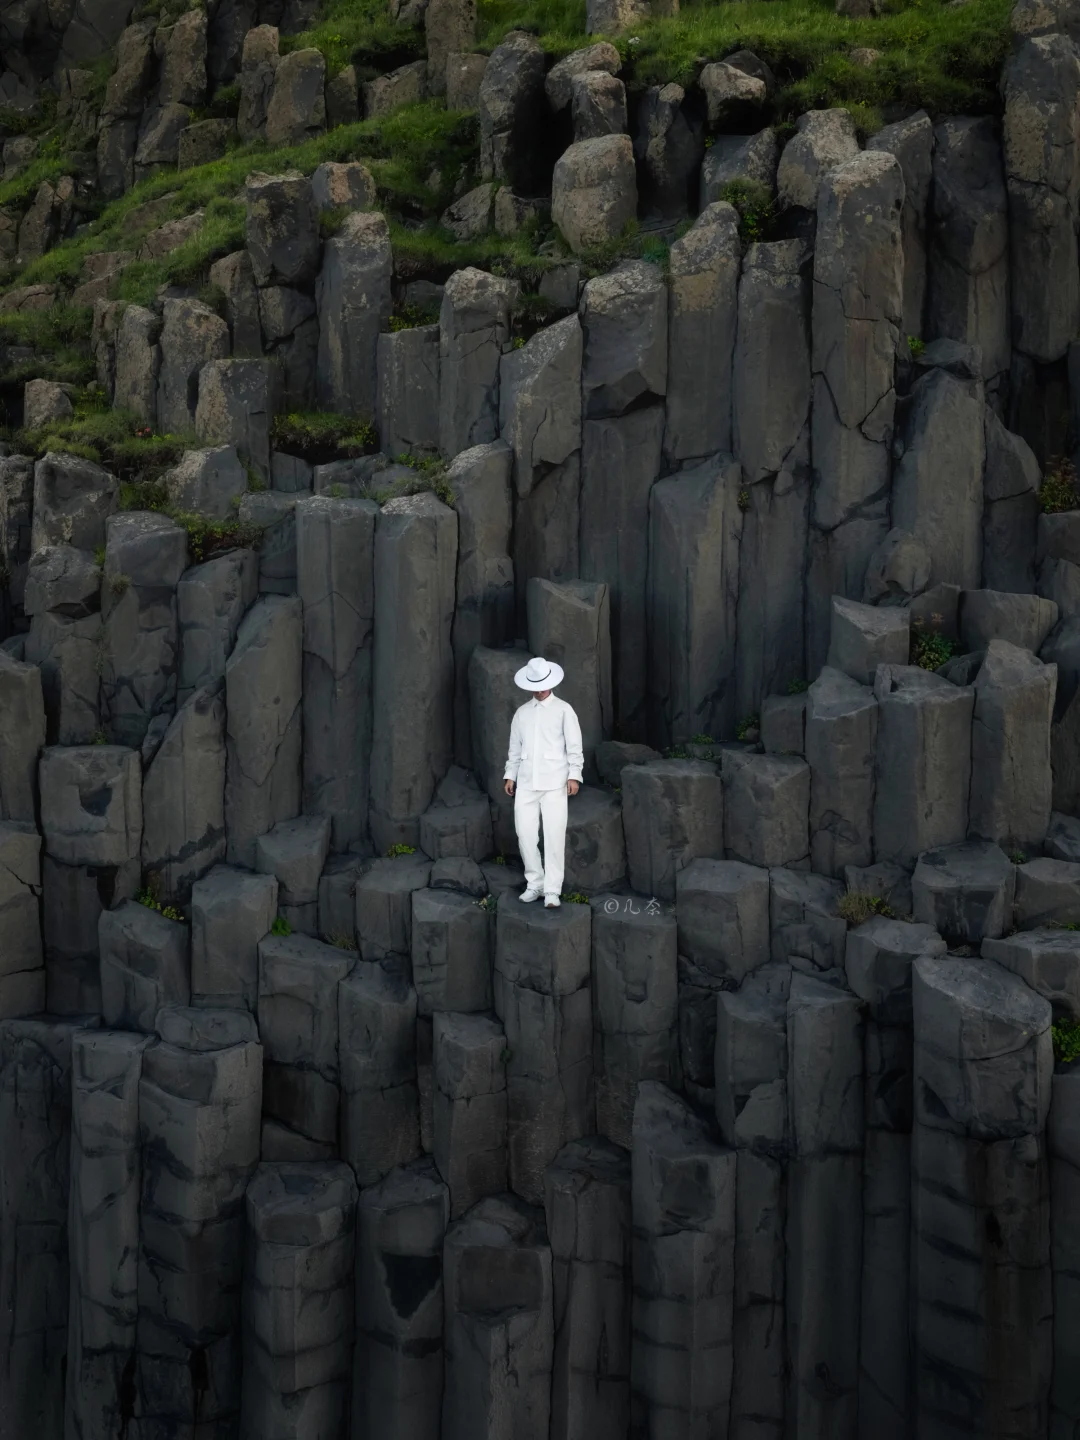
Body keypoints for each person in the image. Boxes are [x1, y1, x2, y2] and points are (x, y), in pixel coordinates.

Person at [503, 656, 584, 909]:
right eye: (535, 686)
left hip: (555, 783)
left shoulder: (564, 710)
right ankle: (535, 884)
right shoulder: (522, 713)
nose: (539, 690)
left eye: (543, 685)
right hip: (526, 783)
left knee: (553, 836)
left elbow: (574, 746)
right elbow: (514, 749)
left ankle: (552, 890)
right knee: (525, 835)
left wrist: (574, 775)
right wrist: (510, 775)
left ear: (551, 683)